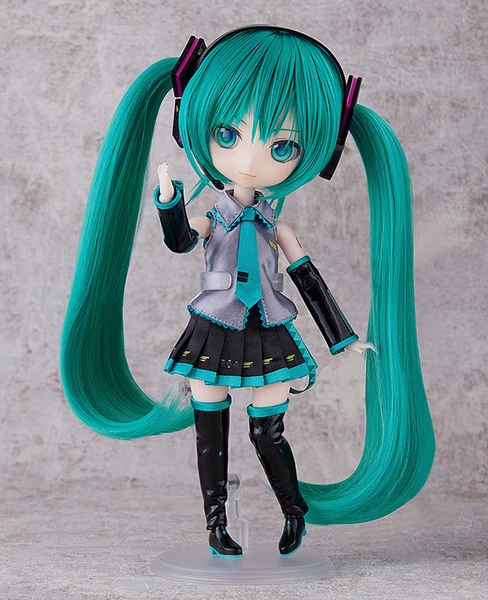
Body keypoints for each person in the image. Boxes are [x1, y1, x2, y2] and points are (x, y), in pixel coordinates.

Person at [60, 26, 436, 559]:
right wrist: (168, 201)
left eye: (281, 146)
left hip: (267, 330)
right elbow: (181, 240)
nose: (252, 161)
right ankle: (216, 523)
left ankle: (293, 511)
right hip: (213, 326)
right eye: (229, 134)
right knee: (209, 426)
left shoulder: (277, 228)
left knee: (267, 431)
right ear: (194, 125)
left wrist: (342, 338)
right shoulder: (213, 217)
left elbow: (308, 279)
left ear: (316, 153)